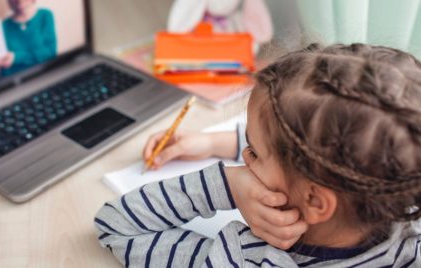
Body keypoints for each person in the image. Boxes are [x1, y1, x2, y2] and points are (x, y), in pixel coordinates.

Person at [94, 43, 421, 267]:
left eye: (253, 152)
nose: (244, 159)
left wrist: (227, 184)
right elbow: (311, 154)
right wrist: (215, 144)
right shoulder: (405, 224)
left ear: (316, 202)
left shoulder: (245, 258)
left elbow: (116, 226)